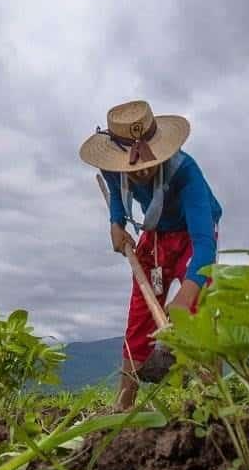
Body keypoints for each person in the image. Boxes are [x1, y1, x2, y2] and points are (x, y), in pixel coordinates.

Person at [79, 100, 222, 410]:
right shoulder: (113, 166)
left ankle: (216, 401)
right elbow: (117, 193)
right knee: (141, 312)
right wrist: (116, 223)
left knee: (200, 307)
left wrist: (186, 295)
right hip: (156, 234)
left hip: (192, 235)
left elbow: (205, 247)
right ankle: (124, 403)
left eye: (148, 162)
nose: (141, 170)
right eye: (133, 165)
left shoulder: (186, 173)